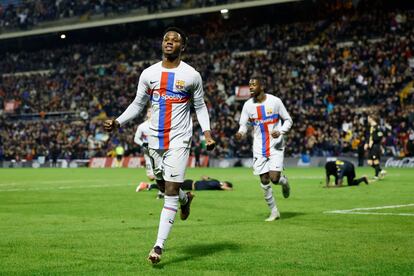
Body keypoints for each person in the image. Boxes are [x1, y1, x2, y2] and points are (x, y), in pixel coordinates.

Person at [103, 27, 215, 264]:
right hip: (154, 140)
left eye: (175, 40)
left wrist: (207, 133)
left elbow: (200, 106)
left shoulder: (192, 75)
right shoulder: (149, 73)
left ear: (182, 46)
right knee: (163, 185)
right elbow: (137, 104)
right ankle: (186, 200)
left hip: (179, 139)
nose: (170, 42)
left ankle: (158, 246)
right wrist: (118, 122)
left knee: (169, 193)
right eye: (166, 39)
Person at [235, 74, 293, 222]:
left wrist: (280, 131)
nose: (251, 87)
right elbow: (243, 124)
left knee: (274, 178)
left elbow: (288, 120)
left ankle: (283, 181)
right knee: (264, 180)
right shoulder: (248, 105)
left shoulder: (275, 101)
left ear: (262, 86)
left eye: (254, 84)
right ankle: (274, 212)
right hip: (259, 147)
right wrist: (241, 133)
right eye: (249, 85)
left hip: (276, 145)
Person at [134, 109, 164, 199]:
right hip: (147, 154)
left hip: (158, 152)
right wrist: (142, 144)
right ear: (147, 114)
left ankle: (161, 192)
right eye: (149, 111)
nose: (151, 113)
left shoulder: (159, 125)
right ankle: (151, 186)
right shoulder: (142, 126)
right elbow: (136, 139)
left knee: (160, 172)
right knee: (151, 176)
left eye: (153, 111)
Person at [137, 176, 233, 192]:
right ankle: (146, 185)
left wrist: (205, 178)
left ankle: (148, 186)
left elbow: (205, 178)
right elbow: (212, 184)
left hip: (191, 184)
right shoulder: (217, 183)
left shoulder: (216, 183)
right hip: (190, 184)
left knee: (170, 187)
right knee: (170, 187)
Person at [364, 113, 386, 180]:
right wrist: (367, 143)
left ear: (371, 119)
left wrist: (373, 140)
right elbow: (368, 136)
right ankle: (381, 171)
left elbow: (380, 135)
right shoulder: (370, 127)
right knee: (369, 162)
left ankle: (376, 176)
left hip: (375, 146)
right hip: (371, 146)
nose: (368, 119)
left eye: (368, 118)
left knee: (375, 161)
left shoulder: (377, 127)